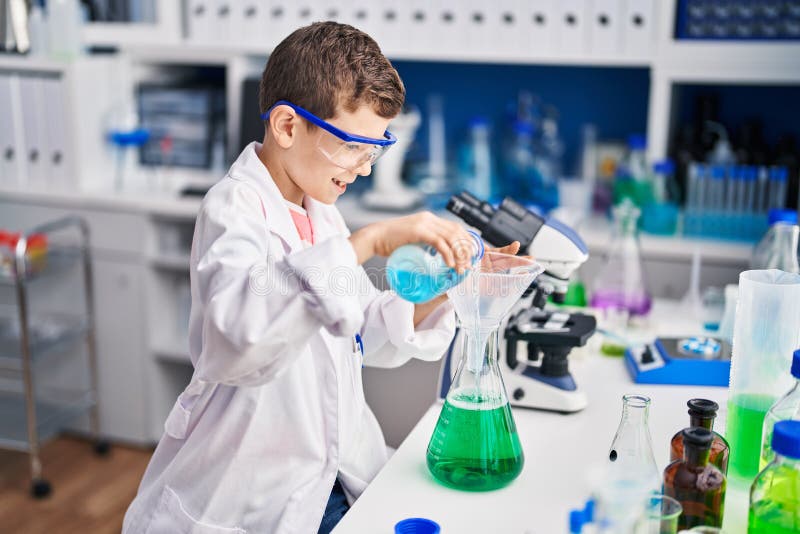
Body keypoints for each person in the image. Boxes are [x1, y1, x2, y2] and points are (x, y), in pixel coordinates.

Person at [123, 22, 517, 533]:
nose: (365, 168)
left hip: (332, 477)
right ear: (287, 126)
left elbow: (360, 329)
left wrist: (452, 282)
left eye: (375, 149)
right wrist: (370, 242)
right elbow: (238, 339)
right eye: (354, 145)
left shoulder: (318, 209)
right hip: (249, 495)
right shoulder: (232, 208)